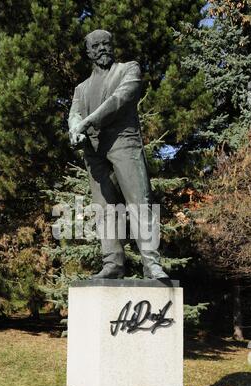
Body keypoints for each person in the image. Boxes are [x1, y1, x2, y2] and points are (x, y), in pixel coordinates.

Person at [68, 29, 168, 280]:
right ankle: (112, 262)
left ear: (112, 46)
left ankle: (151, 264)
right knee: (104, 208)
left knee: (139, 202)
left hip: (124, 143)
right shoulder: (81, 88)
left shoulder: (128, 70)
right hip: (94, 151)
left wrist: (86, 122)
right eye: (96, 46)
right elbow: (74, 114)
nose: (102, 49)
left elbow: (120, 99)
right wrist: (74, 129)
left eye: (106, 44)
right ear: (88, 52)